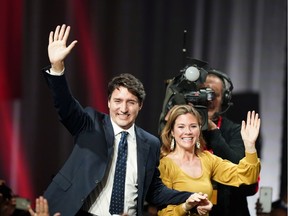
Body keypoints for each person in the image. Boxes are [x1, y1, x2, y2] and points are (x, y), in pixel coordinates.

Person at [42, 24, 213, 216]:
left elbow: (154, 191)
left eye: (131, 102)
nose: (123, 109)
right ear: (108, 102)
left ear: (140, 106)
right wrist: (57, 68)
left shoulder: (150, 144)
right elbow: (65, 106)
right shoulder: (90, 123)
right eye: (118, 101)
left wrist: (189, 197)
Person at [158, 67, 260, 216]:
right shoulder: (165, 163)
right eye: (181, 126)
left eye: (214, 95)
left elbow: (246, 177)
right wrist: (186, 207)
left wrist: (250, 147)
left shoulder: (209, 158)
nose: (208, 100)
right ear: (172, 131)